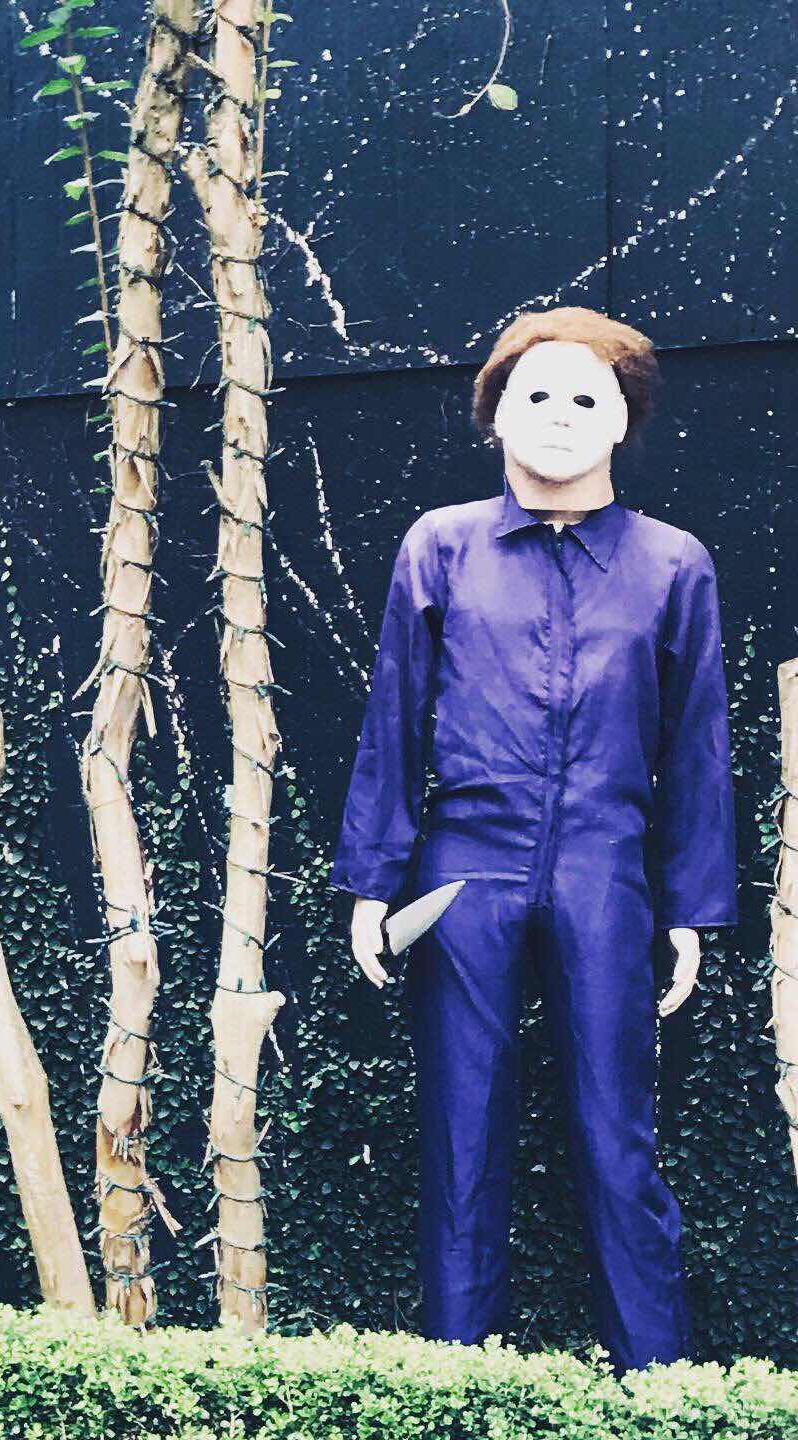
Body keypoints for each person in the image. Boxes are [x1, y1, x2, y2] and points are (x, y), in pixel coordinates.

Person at [330, 307, 737, 1372]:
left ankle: (661, 1395)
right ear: (497, 415)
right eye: (537, 394)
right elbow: (393, 715)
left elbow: (696, 742)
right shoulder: (442, 546)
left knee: (618, 1139)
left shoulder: (672, 564)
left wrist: (691, 908)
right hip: (464, 865)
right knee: (462, 1138)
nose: (560, 414)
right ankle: (460, 1388)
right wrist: (373, 879)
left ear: (621, 423)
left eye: (586, 397)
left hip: (607, 869)